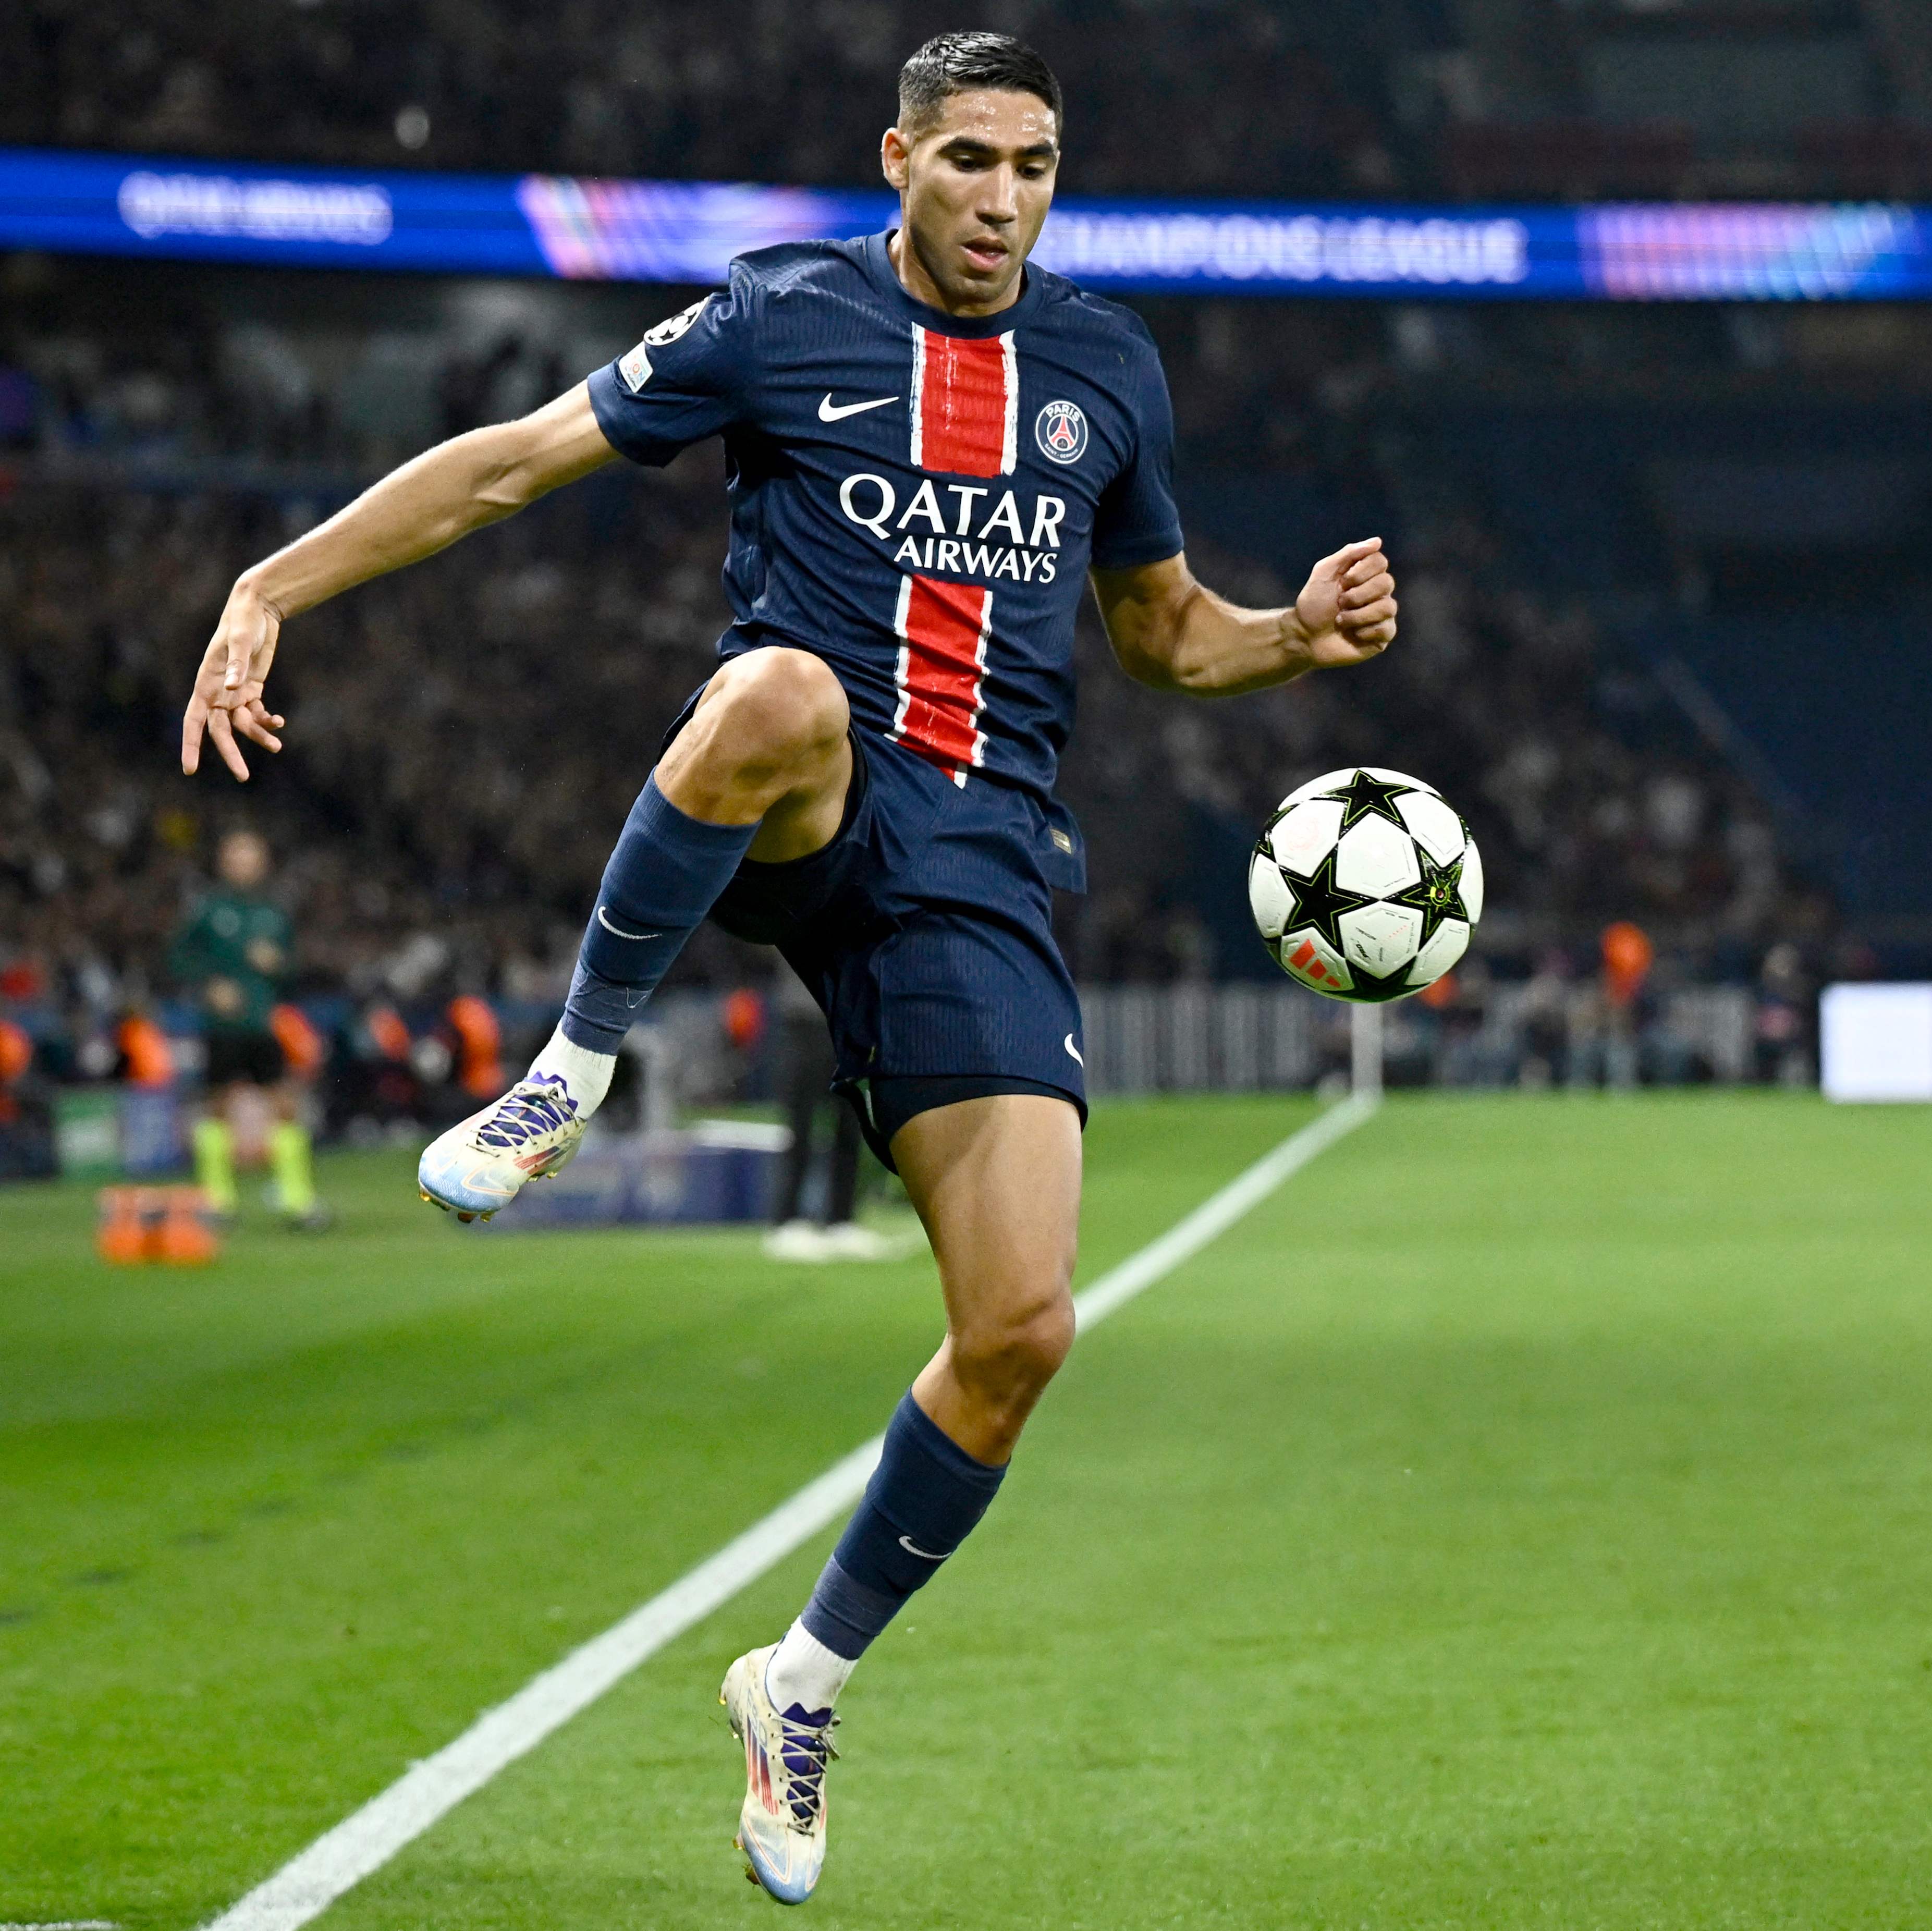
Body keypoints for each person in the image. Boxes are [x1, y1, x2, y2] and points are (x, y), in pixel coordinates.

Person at [177, 30, 1396, 1906]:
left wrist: (1292, 637)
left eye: (1039, 165)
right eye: (973, 158)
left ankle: (798, 1679)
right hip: (805, 797)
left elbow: (1161, 637)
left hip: (980, 874)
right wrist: (274, 584)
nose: (1006, 197)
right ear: (897, 156)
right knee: (779, 686)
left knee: (1023, 1328)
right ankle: (566, 1072)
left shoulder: (1104, 368)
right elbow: (512, 466)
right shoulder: (775, 320)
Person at [165, 829, 326, 1229]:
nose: (244, 864)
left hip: (264, 1023)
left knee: (284, 1107)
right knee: (218, 1106)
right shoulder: (208, 909)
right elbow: (177, 958)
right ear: (224, 862)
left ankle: (297, 1202)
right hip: (222, 1026)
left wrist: (279, 964)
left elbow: (294, 967)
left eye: (251, 856)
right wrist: (210, 985)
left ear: (263, 862)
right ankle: (218, 1203)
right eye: (237, 856)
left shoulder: (274, 912)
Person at [763, 954, 897, 1261]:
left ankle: (841, 1220)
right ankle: (787, 1220)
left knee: (850, 1123)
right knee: (802, 1124)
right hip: (804, 1018)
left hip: (852, 1019)